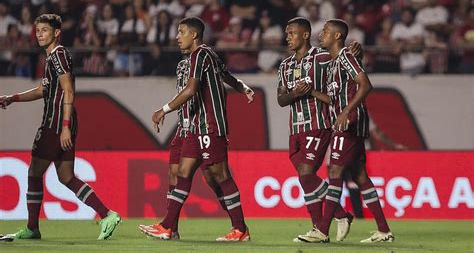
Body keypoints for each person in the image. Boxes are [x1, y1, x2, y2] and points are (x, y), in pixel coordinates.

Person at [0, 14, 121, 240]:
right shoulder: (52, 58)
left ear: (56, 33)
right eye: (38, 31)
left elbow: (69, 90)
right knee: (66, 177)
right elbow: (42, 89)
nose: (39, 34)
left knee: (34, 172)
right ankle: (108, 214)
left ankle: (32, 228)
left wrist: (65, 126)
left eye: (45, 30)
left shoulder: (59, 55)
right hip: (61, 122)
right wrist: (12, 97)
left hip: (55, 123)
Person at [140, 16, 254, 241]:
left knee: (219, 175)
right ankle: (167, 226)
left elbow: (191, 90)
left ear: (194, 35)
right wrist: (242, 87)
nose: (177, 37)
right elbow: (225, 75)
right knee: (182, 173)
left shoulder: (201, 54)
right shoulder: (203, 56)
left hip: (210, 124)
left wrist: (163, 109)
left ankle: (240, 229)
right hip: (195, 126)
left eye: (181, 32)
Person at [300, 19, 393, 243]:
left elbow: (365, 84)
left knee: (334, 174)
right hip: (346, 122)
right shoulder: (334, 64)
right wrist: (311, 91)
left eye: (325, 32)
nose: (321, 35)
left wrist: (345, 112)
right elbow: (333, 98)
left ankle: (322, 230)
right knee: (361, 177)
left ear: (337, 36)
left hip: (349, 122)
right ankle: (383, 230)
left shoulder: (345, 56)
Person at [278, 17, 359, 243]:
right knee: (306, 179)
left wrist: (355, 53)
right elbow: (281, 99)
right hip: (295, 127)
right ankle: (320, 227)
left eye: (292, 33)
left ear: (305, 35)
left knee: (305, 172)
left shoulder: (322, 58)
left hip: (319, 123)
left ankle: (339, 217)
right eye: (287, 33)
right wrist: (295, 94)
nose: (287, 37)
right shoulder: (285, 65)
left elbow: (344, 60)